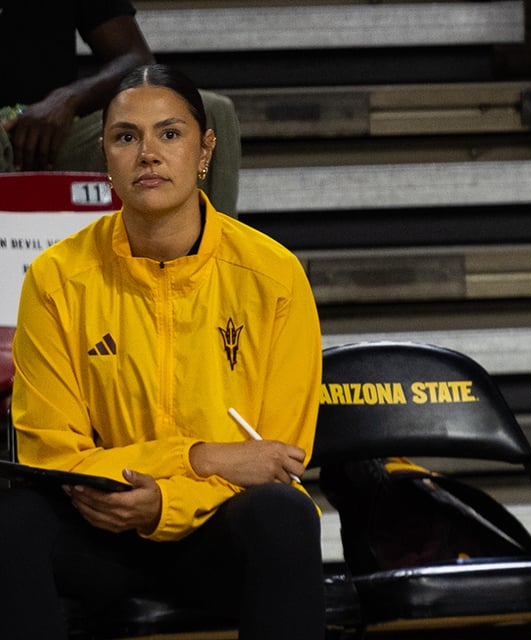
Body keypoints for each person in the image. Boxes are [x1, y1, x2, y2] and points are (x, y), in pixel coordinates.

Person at [0, 64, 324, 639]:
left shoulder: (273, 277)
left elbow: (276, 460)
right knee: (17, 521)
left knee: (285, 514)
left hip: (219, 538)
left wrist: (165, 503)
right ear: (105, 156)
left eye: (170, 134)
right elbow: (52, 458)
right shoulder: (55, 278)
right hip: (102, 533)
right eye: (127, 136)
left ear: (206, 149)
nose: (148, 153)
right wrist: (202, 458)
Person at [0, 0, 241, 216]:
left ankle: (214, 256)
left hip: (50, 135)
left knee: (207, 111)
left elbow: (134, 56)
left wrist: (67, 99)